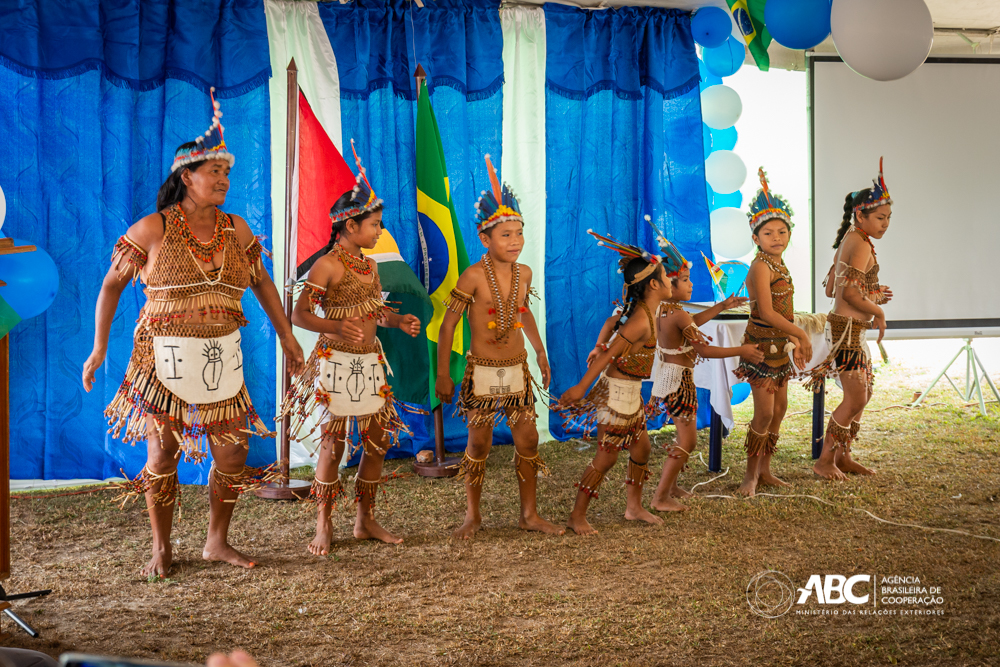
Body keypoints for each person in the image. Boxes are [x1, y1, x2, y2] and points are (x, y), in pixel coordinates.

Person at [82, 89, 305, 577]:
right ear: (187, 177)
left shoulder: (238, 230)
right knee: (162, 452)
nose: (224, 179)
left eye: (227, 172)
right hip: (161, 361)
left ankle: (216, 541)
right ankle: (161, 546)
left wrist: (288, 338)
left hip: (221, 356)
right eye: (214, 172)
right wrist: (99, 347)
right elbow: (110, 286)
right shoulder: (152, 228)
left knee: (233, 451)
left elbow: (264, 286)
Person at [280, 141, 421, 555]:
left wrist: (397, 321)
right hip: (335, 362)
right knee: (333, 441)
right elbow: (298, 314)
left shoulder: (371, 266)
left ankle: (365, 520)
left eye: (379, 224)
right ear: (349, 226)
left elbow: (374, 310)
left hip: (370, 362)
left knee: (377, 439)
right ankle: (323, 524)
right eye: (374, 224)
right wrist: (335, 324)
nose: (379, 230)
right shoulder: (327, 264)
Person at [436, 155, 562, 540]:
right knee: (480, 440)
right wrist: (443, 372)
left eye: (519, 233)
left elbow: (522, 314)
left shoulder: (524, 273)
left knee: (528, 437)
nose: (515, 242)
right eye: (506, 235)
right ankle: (472, 516)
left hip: (517, 367)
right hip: (483, 372)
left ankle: (529, 514)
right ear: (485, 239)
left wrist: (540, 353)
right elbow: (449, 325)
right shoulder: (473, 275)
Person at [559, 230, 673, 535]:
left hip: (630, 394)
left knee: (642, 449)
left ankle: (634, 507)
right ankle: (576, 515)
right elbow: (608, 354)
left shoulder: (644, 311)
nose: (671, 282)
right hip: (618, 397)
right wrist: (581, 388)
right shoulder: (639, 321)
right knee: (606, 457)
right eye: (667, 277)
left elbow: (611, 326)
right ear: (654, 284)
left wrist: (599, 344)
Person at [645, 219, 762, 511]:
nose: (691, 283)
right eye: (686, 280)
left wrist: (721, 306)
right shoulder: (677, 313)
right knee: (688, 440)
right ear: (670, 284)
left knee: (683, 436)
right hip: (678, 381)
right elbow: (704, 349)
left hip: (670, 377)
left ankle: (671, 487)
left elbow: (691, 324)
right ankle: (660, 497)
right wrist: (742, 349)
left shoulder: (665, 311)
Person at [808, 158, 893, 479]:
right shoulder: (857, 242)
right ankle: (824, 461)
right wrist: (878, 309)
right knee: (856, 395)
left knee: (863, 394)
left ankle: (842, 457)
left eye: (888, 218)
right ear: (861, 215)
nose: (885, 223)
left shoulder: (853, 239)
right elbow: (847, 296)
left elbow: (833, 287)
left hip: (849, 330)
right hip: (846, 331)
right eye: (880, 217)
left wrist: (871, 292)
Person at [733, 169, 812, 497]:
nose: (777, 237)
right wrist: (802, 335)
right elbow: (766, 313)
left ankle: (765, 470)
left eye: (782, 231)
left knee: (779, 410)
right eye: (769, 233)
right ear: (756, 238)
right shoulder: (760, 266)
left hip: (780, 349)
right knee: (764, 412)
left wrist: (793, 338)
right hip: (761, 349)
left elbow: (784, 311)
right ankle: (750, 476)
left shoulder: (780, 265)